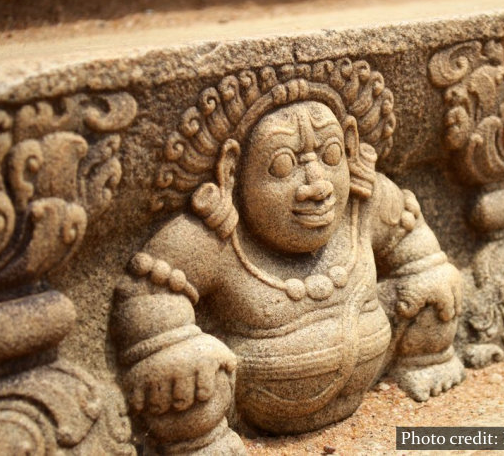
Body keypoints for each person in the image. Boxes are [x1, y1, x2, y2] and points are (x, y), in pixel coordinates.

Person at [113, 61, 463, 454]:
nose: (317, 187)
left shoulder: (364, 205)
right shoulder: (217, 237)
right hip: (251, 395)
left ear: (350, 145)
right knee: (185, 369)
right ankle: (202, 441)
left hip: (376, 362)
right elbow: (150, 288)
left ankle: (427, 363)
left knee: (435, 283)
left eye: (331, 156)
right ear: (232, 171)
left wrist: (424, 267)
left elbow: (408, 234)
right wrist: (174, 343)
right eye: (283, 166)